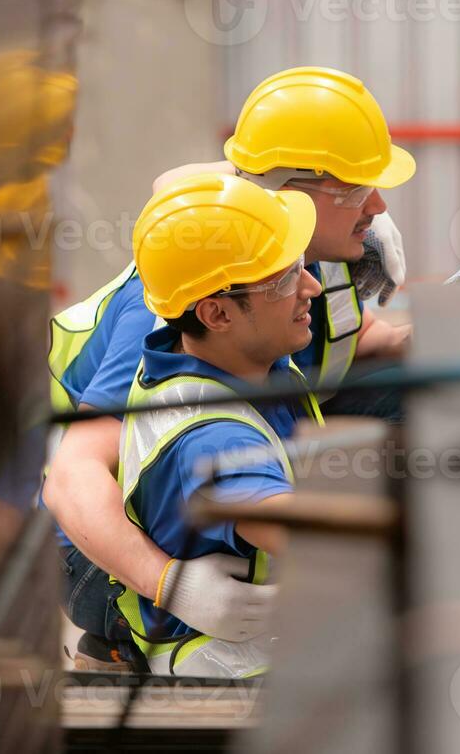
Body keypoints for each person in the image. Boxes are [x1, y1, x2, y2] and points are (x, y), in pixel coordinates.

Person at [43, 66, 415, 667]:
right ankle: (125, 638)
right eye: (356, 190)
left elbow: (351, 347)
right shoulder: (172, 308)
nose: (377, 206)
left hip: (207, 458)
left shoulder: (288, 257)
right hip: (100, 540)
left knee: (408, 401)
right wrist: (169, 583)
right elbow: (71, 476)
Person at [113, 173, 322, 676]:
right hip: (231, 676)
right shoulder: (213, 441)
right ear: (217, 313)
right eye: (284, 279)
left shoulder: (229, 354)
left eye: (301, 266)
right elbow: (327, 544)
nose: (312, 287)